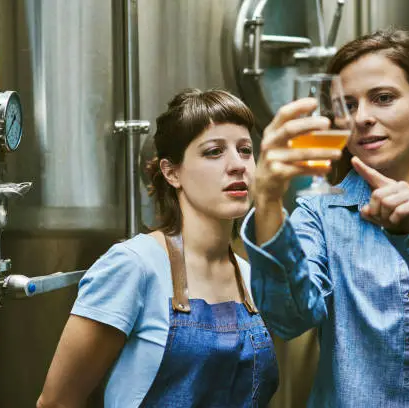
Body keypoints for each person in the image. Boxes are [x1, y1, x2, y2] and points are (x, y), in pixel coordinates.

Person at [241, 28, 409, 407]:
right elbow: (288, 319)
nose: (363, 118)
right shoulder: (320, 213)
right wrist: (269, 199)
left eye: (383, 98)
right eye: (348, 106)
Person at [37, 89, 279, 408]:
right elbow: (57, 403)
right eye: (214, 152)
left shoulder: (250, 277)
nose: (237, 165)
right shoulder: (135, 265)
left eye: (245, 150)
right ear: (171, 172)